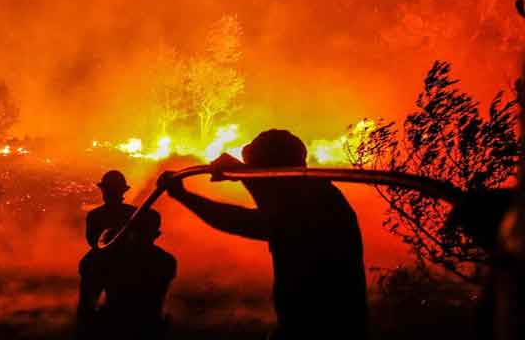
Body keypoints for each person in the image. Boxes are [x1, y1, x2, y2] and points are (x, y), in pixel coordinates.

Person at [159, 129, 368, 339]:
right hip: (299, 323)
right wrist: (184, 196)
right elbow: (242, 221)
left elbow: (274, 210)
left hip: (330, 328)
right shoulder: (303, 199)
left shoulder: (319, 199)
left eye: (256, 167)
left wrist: (242, 175)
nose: (253, 173)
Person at [96, 209, 177, 340]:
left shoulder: (117, 257)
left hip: (117, 324)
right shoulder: (166, 259)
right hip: (149, 324)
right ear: (157, 234)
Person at [76, 170, 137, 335]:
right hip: (122, 266)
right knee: (120, 309)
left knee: (88, 308)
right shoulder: (133, 213)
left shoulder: (95, 215)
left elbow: (91, 241)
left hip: (98, 265)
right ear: (123, 192)